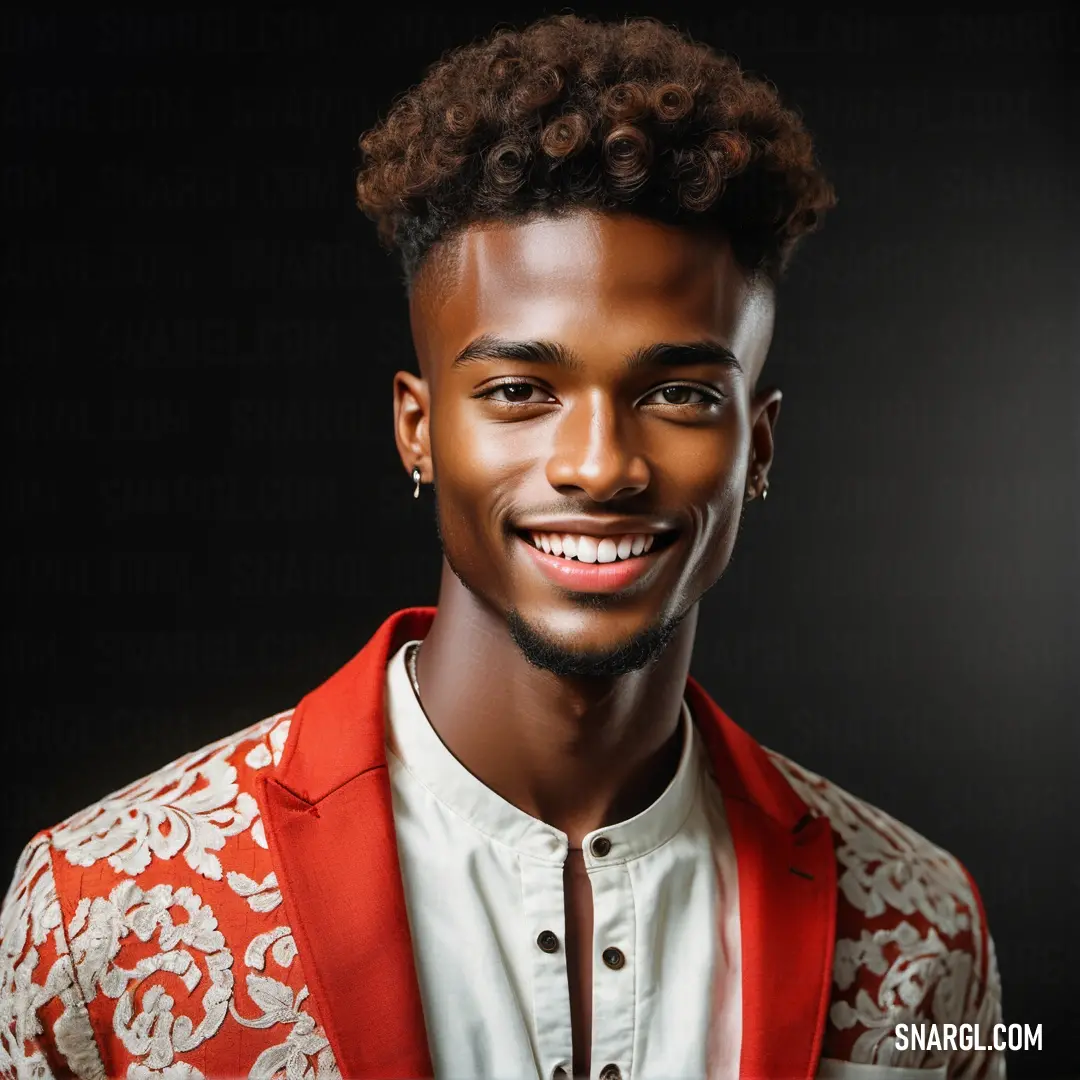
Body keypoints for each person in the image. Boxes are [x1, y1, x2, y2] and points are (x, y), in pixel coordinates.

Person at [0, 14, 1003, 1080]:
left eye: (677, 392)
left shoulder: (927, 935)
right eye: (521, 391)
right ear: (417, 429)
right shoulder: (99, 915)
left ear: (755, 446)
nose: (600, 465)